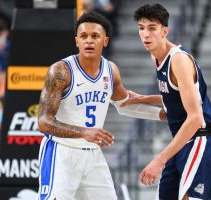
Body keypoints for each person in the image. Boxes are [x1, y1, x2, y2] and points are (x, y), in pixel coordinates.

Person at [37, 11, 166, 200]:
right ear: (77, 41)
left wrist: (162, 114)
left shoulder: (110, 70)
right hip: (61, 152)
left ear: (105, 41)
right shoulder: (61, 71)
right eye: (84, 36)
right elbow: (43, 122)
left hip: (92, 154)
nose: (89, 41)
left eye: (95, 36)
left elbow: (124, 104)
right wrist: (84, 132)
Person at [121, 4, 211, 200]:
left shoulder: (178, 60)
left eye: (152, 28)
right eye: (141, 28)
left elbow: (195, 118)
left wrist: (159, 160)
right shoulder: (156, 57)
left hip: (200, 138)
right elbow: (177, 96)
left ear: (164, 31)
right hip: (182, 141)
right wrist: (144, 98)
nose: (146, 34)